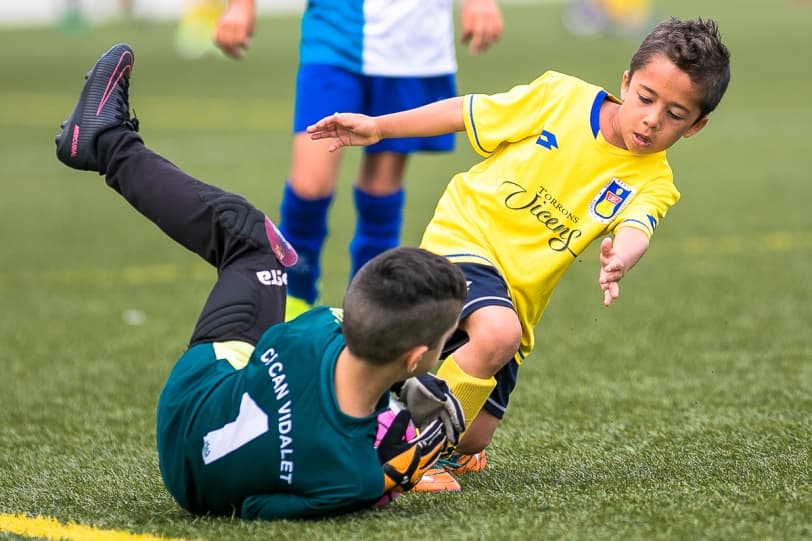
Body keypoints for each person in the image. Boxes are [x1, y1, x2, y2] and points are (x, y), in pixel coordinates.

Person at [308, 17, 732, 491]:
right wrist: (380, 128)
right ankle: (408, 451)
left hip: (518, 292)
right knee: (496, 332)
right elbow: (468, 111)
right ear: (626, 82)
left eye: (675, 115)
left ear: (696, 126)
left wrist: (622, 257)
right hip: (466, 236)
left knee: (473, 435)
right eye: (646, 98)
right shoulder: (561, 97)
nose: (653, 119)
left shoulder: (654, 181)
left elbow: (638, 226)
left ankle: (390, 389)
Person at [54, 43, 469, 520]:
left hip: (191, 399)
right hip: (189, 480)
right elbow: (256, 505)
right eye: (445, 340)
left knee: (260, 249)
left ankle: (109, 144)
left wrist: (392, 396)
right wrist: (388, 477)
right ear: (416, 357)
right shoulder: (353, 476)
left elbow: (303, 361)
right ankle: (103, 142)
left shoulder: (314, 333)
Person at [212, 0, 504, 319]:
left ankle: (367, 309)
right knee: (310, 186)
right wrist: (241, 7)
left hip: (411, 42)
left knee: (381, 188)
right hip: (334, 33)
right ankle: (292, 297)